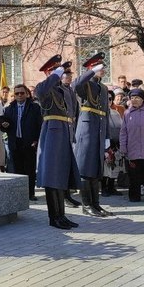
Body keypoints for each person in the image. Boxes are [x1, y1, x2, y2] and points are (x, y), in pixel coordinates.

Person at [35, 55, 80, 229]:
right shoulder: (43, 87)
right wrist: (54, 75)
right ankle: (54, 218)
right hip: (52, 132)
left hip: (64, 132)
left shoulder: (63, 89)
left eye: (59, 70)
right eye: (55, 70)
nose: (60, 73)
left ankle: (61, 215)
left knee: (61, 176)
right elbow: (40, 93)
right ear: (49, 72)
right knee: (52, 176)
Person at [73, 53, 114, 218]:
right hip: (87, 130)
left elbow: (106, 114)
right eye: (98, 67)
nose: (103, 69)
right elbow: (76, 84)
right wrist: (90, 72)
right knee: (85, 168)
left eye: (103, 67)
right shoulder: (86, 85)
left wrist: (107, 138)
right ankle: (86, 205)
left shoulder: (104, 88)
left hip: (100, 130)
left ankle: (96, 205)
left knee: (96, 170)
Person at [1, 85, 43, 201]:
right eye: (17, 93)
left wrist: (36, 140)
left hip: (29, 142)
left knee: (29, 169)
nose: (19, 95)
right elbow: (5, 124)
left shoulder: (34, 107)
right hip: (15, 143)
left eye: (22, 93)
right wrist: (4, 124)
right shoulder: (10, 109)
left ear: (27, 94)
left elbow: (39, 125)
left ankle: (30, 193)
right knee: (18, 169)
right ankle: (21, 193)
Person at [60, 64, 81, 207]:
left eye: (70, 76)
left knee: (68, 165)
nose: (69, 78)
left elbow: (75, 110)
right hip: (62, 130)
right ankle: (63, 196)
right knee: (62, 166)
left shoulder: (70, 90)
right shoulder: (58, 90)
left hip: (71, 130)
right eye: (66, 76)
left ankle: (68, 194)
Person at [102, 90, 125, 197]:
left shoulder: (115, 113)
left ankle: (111, 187)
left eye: (110, 99)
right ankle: (104, 188)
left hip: (116, 144)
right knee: (105, 168)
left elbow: (121, 127)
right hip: (104, 145)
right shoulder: (98, 114)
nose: (108, 101)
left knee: (114, 167)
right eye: (106, 98)